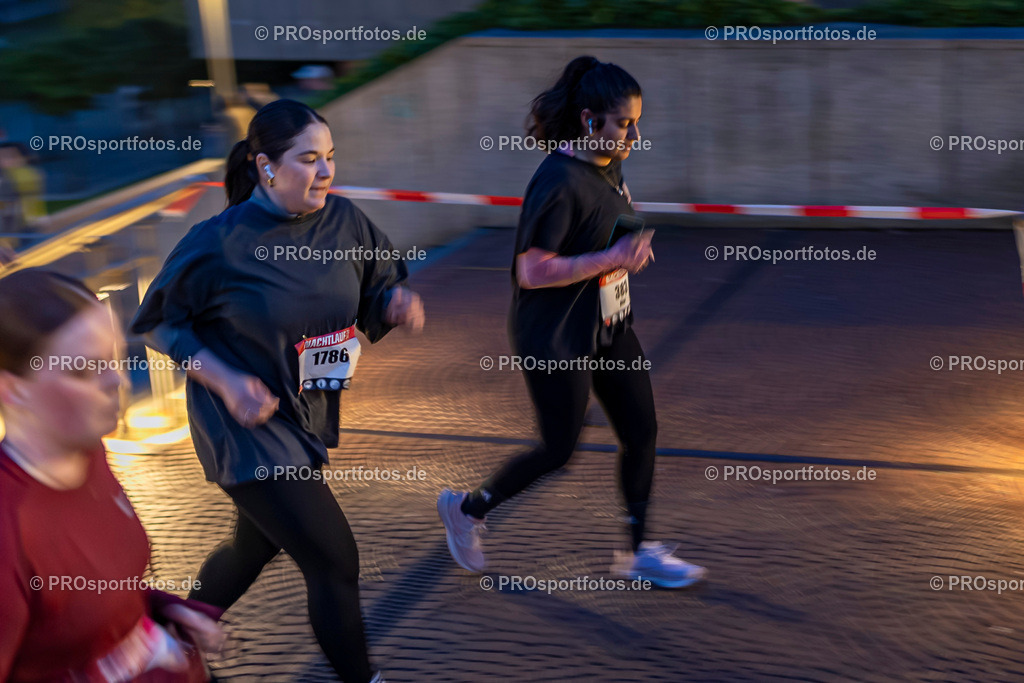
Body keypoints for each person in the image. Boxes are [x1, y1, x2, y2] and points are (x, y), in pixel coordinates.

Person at [130, 99, 424, 683]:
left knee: (253, 547)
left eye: (331, 157)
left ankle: (170, 634)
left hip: (304, 416)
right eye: (309, 159)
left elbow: (379, 280)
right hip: (244, 429)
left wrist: (393, 301)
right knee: (335, 559)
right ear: (265, 166)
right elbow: (157, 323)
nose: (326, 172)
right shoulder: (218, 241)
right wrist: (228, 379)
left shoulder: (345, 221)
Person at [438, 56, 706, 589]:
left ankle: (637, 553)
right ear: (590, 122)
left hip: (607, 322)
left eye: (635, 121)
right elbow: (532, 270)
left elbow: (607, 219)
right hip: (555, 335)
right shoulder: (557, 181)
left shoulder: (608, 160)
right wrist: (612, 258)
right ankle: (467, 509)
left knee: (642, 431)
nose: (635, 133)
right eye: (625, 123)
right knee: (558, 450)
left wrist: (627, 243)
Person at [0, 268, 225, 682]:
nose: (118, 381)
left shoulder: (90, 452)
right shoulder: (8, 528)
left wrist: (161, 610)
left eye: (118, 358)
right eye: (85, 369)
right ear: (12, 389)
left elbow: (86, 594)